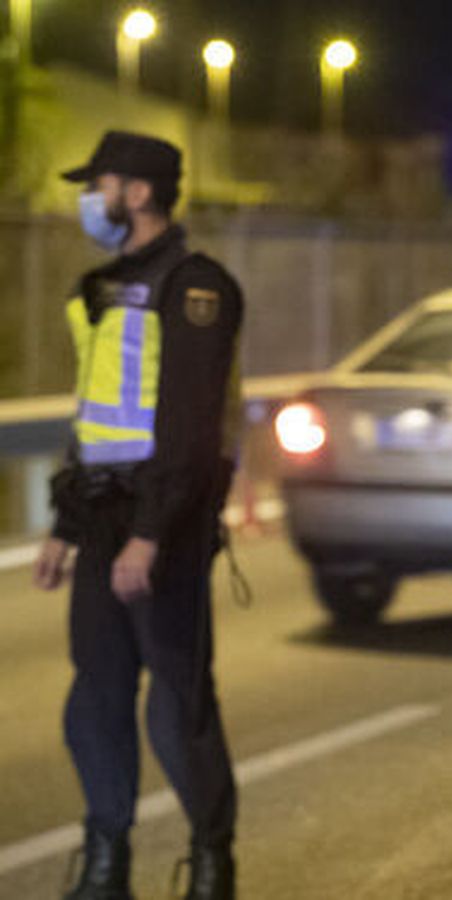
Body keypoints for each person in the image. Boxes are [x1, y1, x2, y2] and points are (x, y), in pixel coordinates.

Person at [32, 131, 244, 900]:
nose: (90, 200)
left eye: (101, 185)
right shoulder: (97, 288)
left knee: (178, 709)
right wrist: (65, 525)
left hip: (167, 527)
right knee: (95, 701)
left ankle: (211, 866)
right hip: (101, 521)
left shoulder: (196, 288)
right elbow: (93, 416)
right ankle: (106, 866)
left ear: (140, 193)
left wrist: (150, 536)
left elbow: (189, 429)